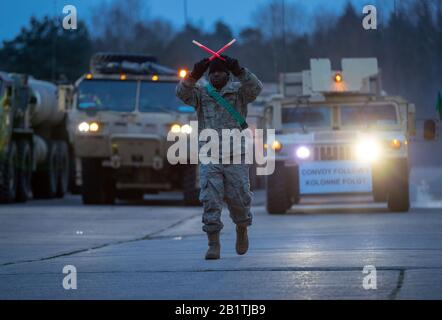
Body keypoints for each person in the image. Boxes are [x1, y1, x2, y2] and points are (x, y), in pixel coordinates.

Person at [176, 55, 263, 260]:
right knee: (210, 199)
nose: (216, 75)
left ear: (227, 73)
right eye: (212, 72)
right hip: (210, 155)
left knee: (240, 198)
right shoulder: (201, 93)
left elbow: (256, 88)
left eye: (220, 71)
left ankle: (242, 228)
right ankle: (213, 243)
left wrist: (240, 71)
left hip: (235, 154)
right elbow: (181, 93)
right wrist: (193, 75)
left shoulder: (239, 92)